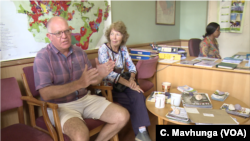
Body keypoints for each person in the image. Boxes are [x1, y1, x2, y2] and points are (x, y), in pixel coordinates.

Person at [33, 16, 130, 141]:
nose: (64, 36)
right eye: (58, 33)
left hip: (85, 99)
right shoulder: (43, 57)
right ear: (49, 36)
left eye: (67, 31)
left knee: (122, 116)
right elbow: (45, 94)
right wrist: (79, 84)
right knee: (80, 134)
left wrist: (100, 74)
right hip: (59, 106)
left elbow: (92, 81)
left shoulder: (79, 52)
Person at [98, 21, 152, 141]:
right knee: (136, 101)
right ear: (109, 35)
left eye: (118, 34)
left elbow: (132, 67)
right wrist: (129, 84)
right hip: (109, 88)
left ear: (123, 36)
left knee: (138, 94)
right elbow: (108, 75)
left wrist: (132, 79)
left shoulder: (123, 49)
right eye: (112, 34)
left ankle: (142, 133)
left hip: (122, 85)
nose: (114, 37)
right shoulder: (103, 49)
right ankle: (142, 134)